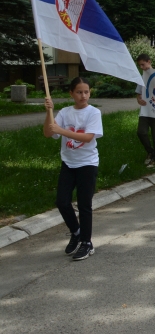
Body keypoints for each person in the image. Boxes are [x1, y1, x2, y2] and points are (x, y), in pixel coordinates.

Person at [44, 77, 103, 261]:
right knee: (62, 201)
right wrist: (49, 113)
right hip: (68, 163)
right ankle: (76, 232)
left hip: (87, 163)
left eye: (86, 92)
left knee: (85, 205)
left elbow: (87, 137)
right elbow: (48, 133)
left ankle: (87, 243)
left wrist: (61, 131)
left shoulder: (93, 112)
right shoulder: (64, 112)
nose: (83, 95)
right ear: (71, 94)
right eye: (79, 92)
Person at [135, 54, 155, 169]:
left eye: (143, 64)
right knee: (141, 132)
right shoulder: (142, 77)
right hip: (145, 110)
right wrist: (139, 99)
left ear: (149, 62)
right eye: (140, 65)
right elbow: (138, 93)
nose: (142, 67)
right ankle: (150, 152)